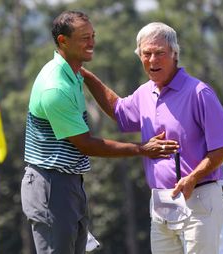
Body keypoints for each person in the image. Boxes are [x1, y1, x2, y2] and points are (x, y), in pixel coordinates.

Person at [20, 12, 179, 254]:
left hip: (69, 182)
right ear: (63, 41)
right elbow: (86, 145)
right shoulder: (56, 87)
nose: (92, 42)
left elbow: (116, 109)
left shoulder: (72, 73)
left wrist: (86, 74)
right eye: (84, 38)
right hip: (51, 184)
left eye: (92, 36)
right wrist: (142, 149)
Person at [82, 21, 223, 254]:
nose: (153, 60)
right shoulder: (145, 92)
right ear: (139, 56)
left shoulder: (198, 92)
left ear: (174, 54)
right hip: (161, 202)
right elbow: (119, 111)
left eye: (159, 53)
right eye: (146, 54)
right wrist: (83, 74)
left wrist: (193, 177)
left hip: (199, 197)